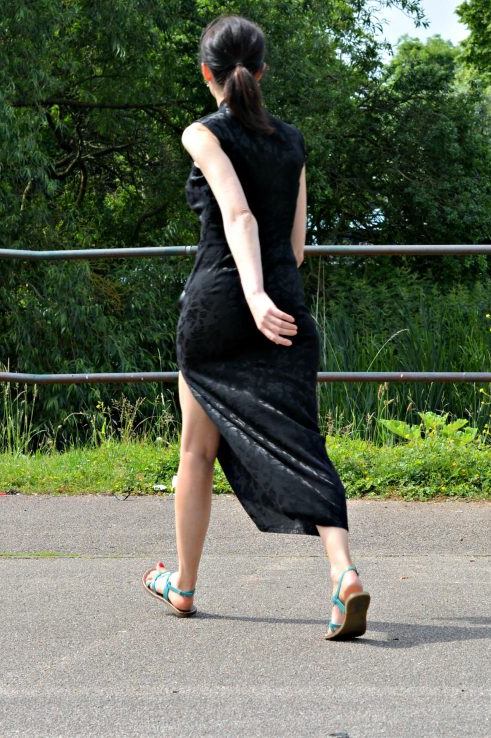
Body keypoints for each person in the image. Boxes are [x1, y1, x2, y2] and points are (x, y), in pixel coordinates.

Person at [141, 15, 370, 640]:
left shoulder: (203, 134)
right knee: (302, 439)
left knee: (196, 448)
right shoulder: (293, 143)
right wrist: (270, 294)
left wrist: (251, 294)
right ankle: (344, 574)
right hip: (284, 308)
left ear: (206, 72)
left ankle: (182, 587)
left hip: (221, 308)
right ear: (262, 72)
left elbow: (237, 216)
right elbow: (294, 247)